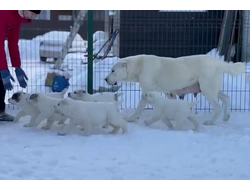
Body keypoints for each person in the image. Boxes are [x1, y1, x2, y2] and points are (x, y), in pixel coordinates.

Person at [0, 10, 41, 122]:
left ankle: (0, 113)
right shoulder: (4, 14)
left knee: (1, 82)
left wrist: (17, 67)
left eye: (35, 15)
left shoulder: (16, 21)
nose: (34, 17)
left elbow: (13, 45)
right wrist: (3, 69)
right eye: (33, 14)